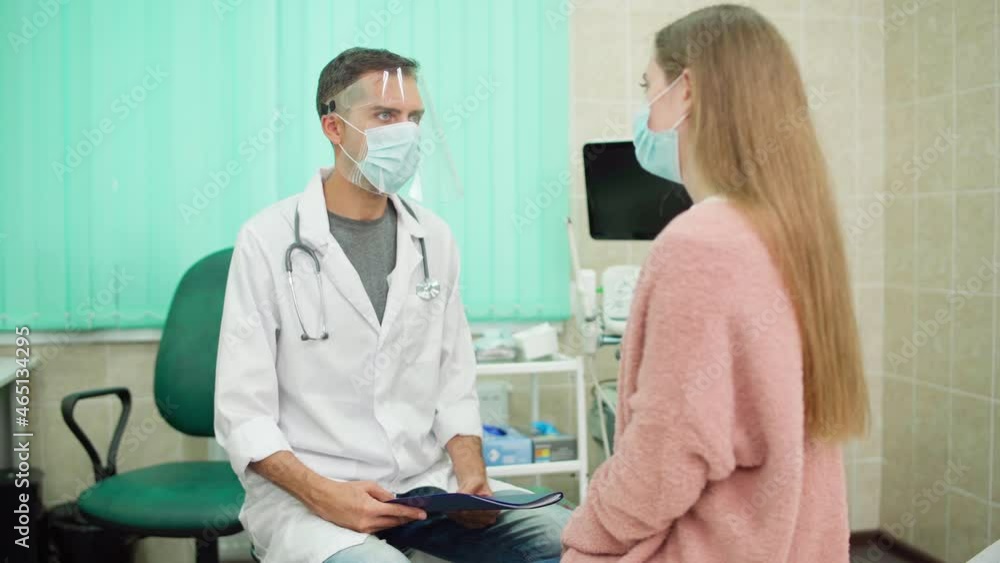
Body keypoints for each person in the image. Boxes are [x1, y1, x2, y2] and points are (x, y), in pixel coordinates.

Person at [214, 47, 567, 563]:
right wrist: (323, 494)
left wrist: (471, 480)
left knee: (573, 540)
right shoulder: (267, 240)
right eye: (385, 116)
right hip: (313, 498)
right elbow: (243, 413)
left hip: (426, 486)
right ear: (334, 127)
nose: (406, 132)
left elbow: (454, 382)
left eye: (414, 118)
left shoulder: (434, 239)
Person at [561, 5, 869, 562]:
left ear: (688, 89)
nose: (643, 110)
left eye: (647, 86)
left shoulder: (702, 242)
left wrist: (584, 538)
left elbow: (664, 455)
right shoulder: (792, 232)